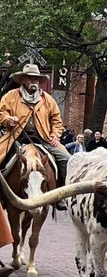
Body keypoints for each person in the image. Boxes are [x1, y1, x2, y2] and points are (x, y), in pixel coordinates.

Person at [0, 63, 71, 191]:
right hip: (15, 136)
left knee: (67, 159)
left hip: (43, 137)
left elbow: (56, 120)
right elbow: (1, 113)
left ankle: (62, 193)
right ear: (22, 80)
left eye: (36, 78)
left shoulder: (48, 99)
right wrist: (7, 119)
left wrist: (55, 135)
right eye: (30, 78)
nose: (34, 81)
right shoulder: (10, 96)